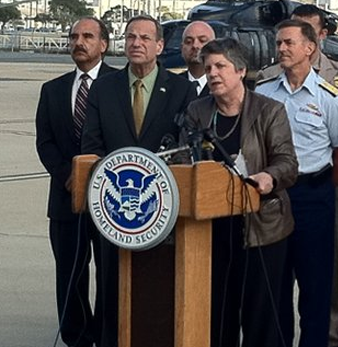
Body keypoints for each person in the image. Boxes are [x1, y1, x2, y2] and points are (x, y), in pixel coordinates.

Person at [81, 14, 196, 347]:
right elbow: (91, 145)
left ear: (159, 46)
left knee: (156, 289)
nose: (136, 43)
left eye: (145, 38)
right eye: (131, 37)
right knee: (111, 287)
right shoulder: (104, 88)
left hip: (160, 214)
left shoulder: (181, 89)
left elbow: (184, 148)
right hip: (113, 212)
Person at [176, 37, 298, 347]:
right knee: (217, 314)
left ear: (241, 71)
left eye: (220, 66)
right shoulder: (197, 111)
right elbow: (180, 158)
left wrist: (269, 177)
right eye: (208, 67)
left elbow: (287, 162)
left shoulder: (269, 110)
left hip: (261, 227)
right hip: (212, 229)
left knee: (260, 317)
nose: (212, 73)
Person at [257, 6, 338, 347]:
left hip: (313, 195)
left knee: (316, 285)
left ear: (309, 48)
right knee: (275, 281)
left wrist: (320, 188)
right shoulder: (264, 92)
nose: (282, 49)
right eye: (279, 43)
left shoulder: (331, 98)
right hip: (273, 196)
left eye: (289, 43)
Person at [35, 16, 116, 347]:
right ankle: (77, 336)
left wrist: (98, 180)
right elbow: (45, 142)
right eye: (73, 37)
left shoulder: (118, 85)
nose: (78, 42)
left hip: (110, 200)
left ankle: (107, 333)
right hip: (66, 200)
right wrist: (69, 176)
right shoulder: (52, 90)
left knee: (111, 275)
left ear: (103, 45)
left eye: (87, 36)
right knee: (70, 273)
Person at [179, 20, 215, 97]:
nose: (195, 45)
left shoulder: (222, 84)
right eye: (189, 42)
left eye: (202, 41)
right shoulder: (173, 85)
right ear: (182, 48)